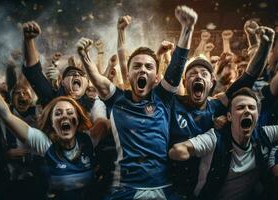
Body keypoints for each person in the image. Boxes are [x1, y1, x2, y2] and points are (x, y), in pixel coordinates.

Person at [77, 5, 197, 199]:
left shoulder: (163, 97)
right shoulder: (117, 99)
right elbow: (98, 79)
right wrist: (84, 56)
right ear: (129, 73)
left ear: (156, 76)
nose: (142, 70)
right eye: (137, 66)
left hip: (163, 187)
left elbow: (177, 65)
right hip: (125, 189)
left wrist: (187, 28)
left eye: (149, 66)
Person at [169, 25, 275, 197]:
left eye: (204, 74)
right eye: (192, 73)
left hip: (206, 189)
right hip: (172, 187)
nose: (198, 76)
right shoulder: (173, 104)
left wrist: (265, 47)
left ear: (212, 82)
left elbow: (248, 78)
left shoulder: (218, 105)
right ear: (184, 81)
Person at [0, 53, 108, 200]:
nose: (64, 116)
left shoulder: (88, 140)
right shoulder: (45, 144)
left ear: (78, 119)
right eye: (58, 113)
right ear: (51, 122)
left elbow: (108, 121)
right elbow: (6, 115)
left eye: (70, 113)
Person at [169, 87, 278, 200]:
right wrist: (181, 151)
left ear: (257, 115)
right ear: (229, 116)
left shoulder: (264, 135)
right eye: (240, 107)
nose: (247, 111)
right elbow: (178, 150)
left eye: (251, 107)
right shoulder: (215, 138)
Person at [21, 21, 107, 123]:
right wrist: (29, 40)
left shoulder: (94, 102)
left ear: (87, 84)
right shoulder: (52, 99)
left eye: (81, 75)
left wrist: (85, 55)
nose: (76, 74)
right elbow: (34, 73)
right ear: (62, 82)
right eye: (70, 74)